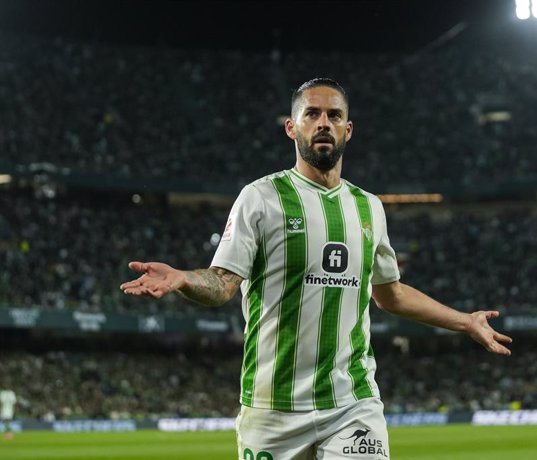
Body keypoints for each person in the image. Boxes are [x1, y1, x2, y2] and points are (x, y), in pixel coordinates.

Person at [121, 77, 512, 459]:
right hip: (272, 406)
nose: (323, 122)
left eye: (334, 115)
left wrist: (464, 321)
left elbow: (390, 294)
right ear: (292, 128)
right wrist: (183, 279)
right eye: (312, 114)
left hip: (351, 402)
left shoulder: (368, 207)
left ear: (348, 129)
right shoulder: (260, 198)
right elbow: (222, 283)